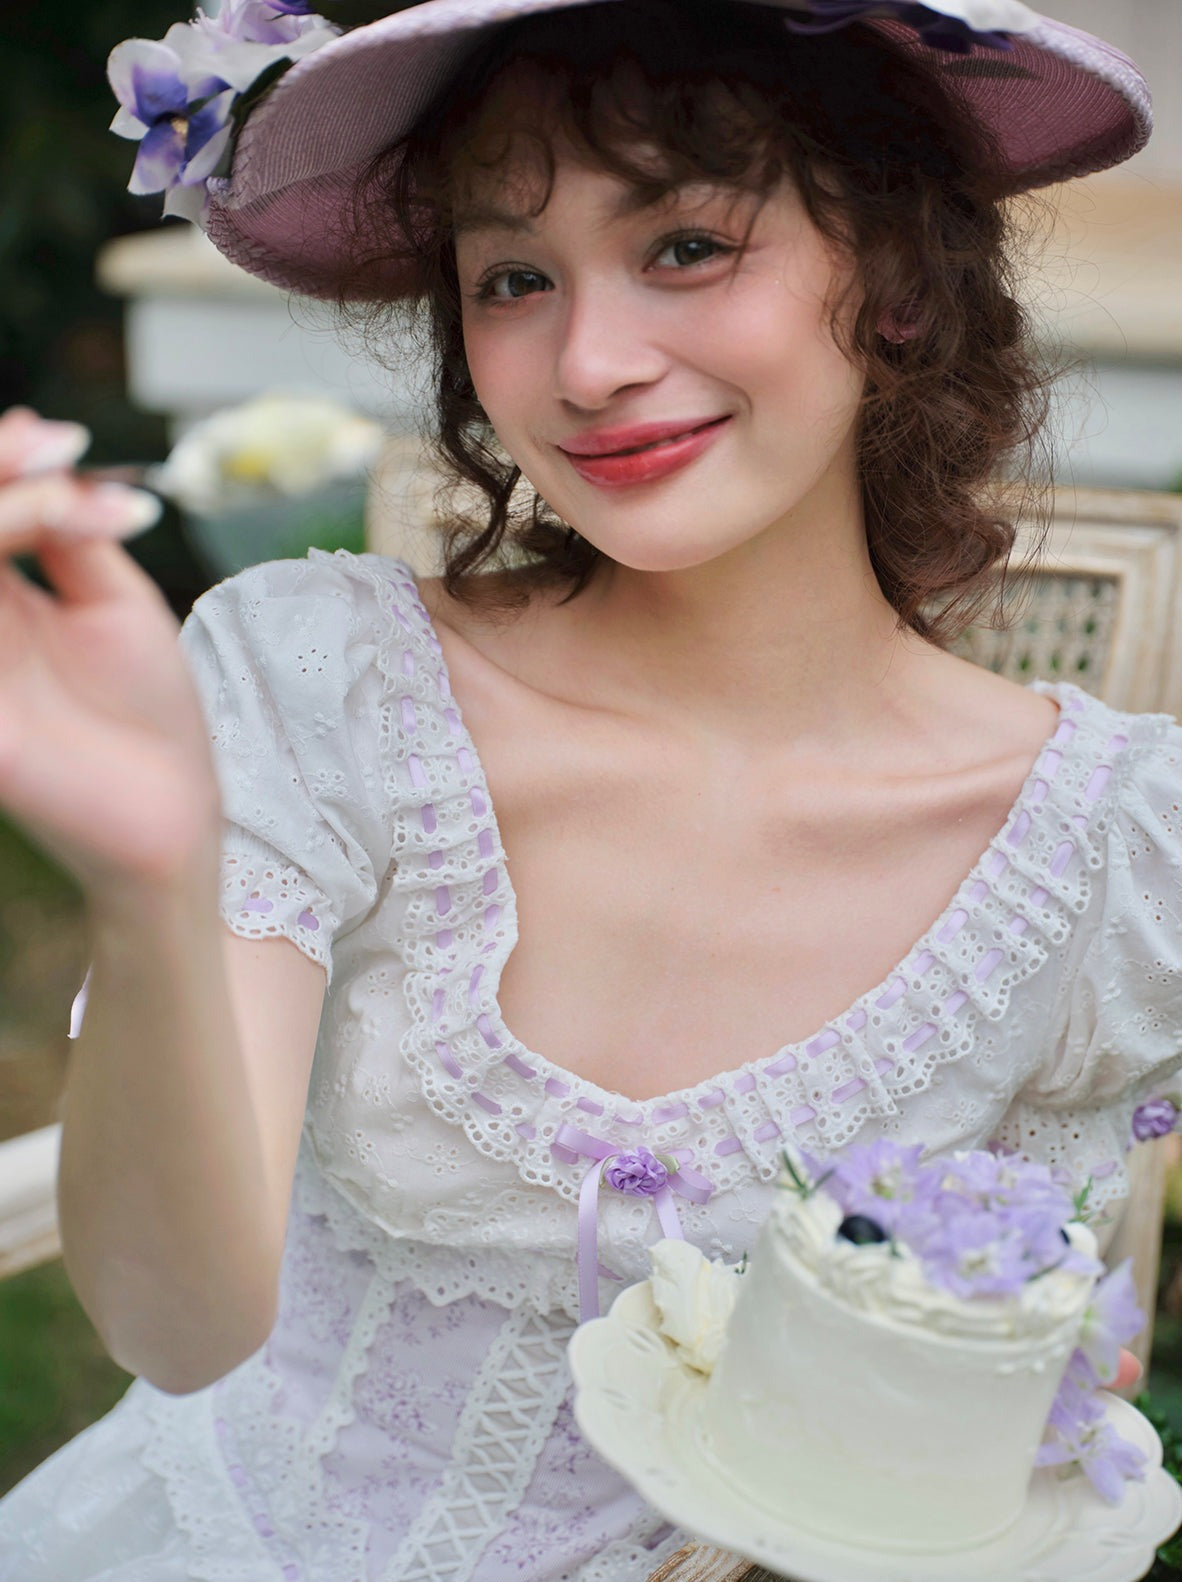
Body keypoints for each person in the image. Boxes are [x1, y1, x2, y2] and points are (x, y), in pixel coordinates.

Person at [0, 0, 1173, 1576]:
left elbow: (986, 1400)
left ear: (892, 277)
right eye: (512, 278)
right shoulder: (322, 682)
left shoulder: (1107, 853)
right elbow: (178, 1324)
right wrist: (151, 884)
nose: (589, 364)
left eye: (686, 243)